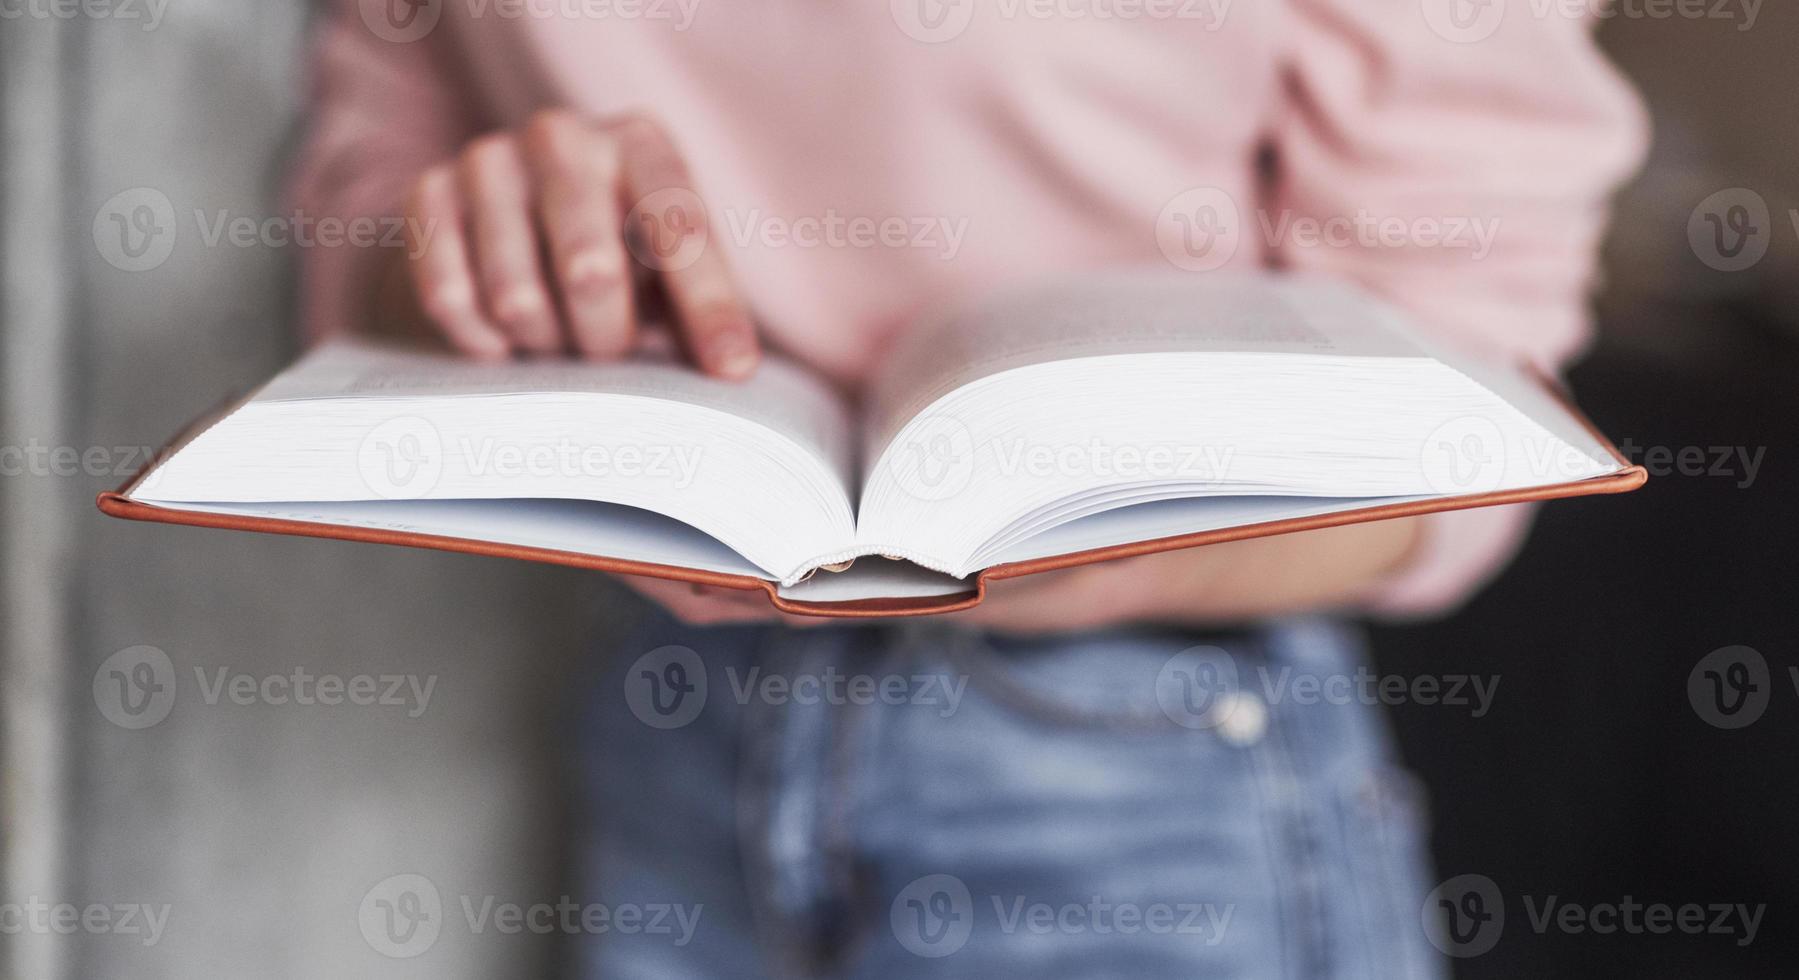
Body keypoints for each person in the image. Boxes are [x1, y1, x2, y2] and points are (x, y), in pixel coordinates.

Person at [291, 2, 1646, 975]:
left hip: (1143, 759)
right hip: (674, 710)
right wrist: (479, 250)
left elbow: (1465, 409)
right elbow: (366, 188)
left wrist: (1150, 552)